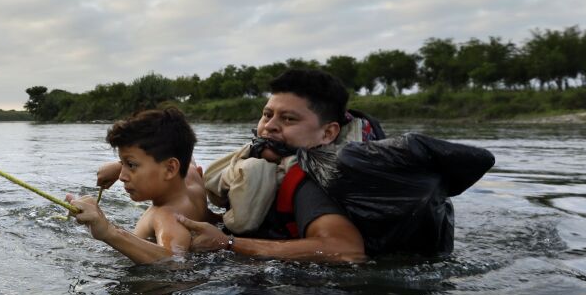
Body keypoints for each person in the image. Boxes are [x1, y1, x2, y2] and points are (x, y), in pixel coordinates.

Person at [177, 69, 367, 263]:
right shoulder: (274, 169)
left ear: (328, 133)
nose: (269, 126)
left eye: (289, 119)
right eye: (267, 115)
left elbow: (347, 249)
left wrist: (228, 244)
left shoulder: (311, 182)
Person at [66, 107, 209, 264]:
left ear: (170, 169)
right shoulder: (193, 177)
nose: (121, 176)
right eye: (123, 164)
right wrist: (121, 164)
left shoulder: (167, 217)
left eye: (131, 165)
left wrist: (108, 231)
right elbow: (184, 153)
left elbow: (174, 260)